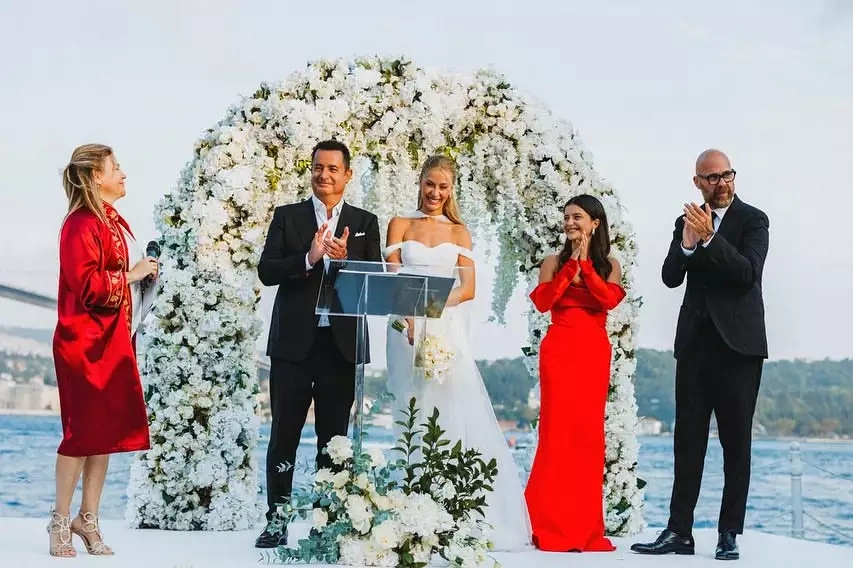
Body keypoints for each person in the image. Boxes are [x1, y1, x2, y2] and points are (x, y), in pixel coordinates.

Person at [384, 155, 532, 551]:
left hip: (444, 326)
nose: (435, 193)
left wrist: (429, 310)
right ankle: (410, 506)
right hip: (404, 326)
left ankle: (447, 509)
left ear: (451, 190)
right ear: (420, 182)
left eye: (443, 187)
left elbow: (468, 289)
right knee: (408, 409)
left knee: (447, 410)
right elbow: (392, 275)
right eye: (430, 184)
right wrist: (410, 313)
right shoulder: (400, 224)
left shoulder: (460, 232)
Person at [631, 149, 769, 561]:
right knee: (686, 443)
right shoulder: (686, 221)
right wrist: (688, 245)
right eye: (712, 178)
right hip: (694, 345)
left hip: (739, 348)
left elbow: (747, 274)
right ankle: (679, 532)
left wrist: (710, 239)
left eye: (727, 175)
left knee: (736, 444)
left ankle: (729, 533)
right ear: (697, 182)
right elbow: (670, 277)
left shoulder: (754, 220)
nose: (721, 183)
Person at [255, 140, 382, 548]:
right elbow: (266, 271)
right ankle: (276, 522)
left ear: (347, 174)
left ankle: (326, 523)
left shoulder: (365, 222)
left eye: (331, 168)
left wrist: (345, 262)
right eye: (317, 167)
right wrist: (308, 258)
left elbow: (375, 280)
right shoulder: (287, 217)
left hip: (340, 348)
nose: (323, 175)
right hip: (293, 346)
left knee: (334, 441)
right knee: (283, 436)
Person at [49, 144, 159, 557]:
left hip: (112, 342)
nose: (123, 174)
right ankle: (60, 520)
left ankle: (88, 517)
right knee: (80, 434)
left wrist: (142, 279)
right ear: (96, 176)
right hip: (82, 345)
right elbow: (89, 287)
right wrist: (130, 275)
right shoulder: (80, 224)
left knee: (105, 435)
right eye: (116, 168)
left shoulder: (109, 220)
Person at [524, 194, 625, 552]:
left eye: (577, 217)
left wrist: (586, 267)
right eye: (566, 217)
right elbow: (542, 302)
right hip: (560, 350)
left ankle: (583, 527)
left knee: (587, 438)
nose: (569, 223)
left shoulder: (610, 265)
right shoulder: (553, 262)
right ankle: (547, 523)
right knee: (556, 433)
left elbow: (609, 301)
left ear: (595, 223)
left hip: (593, 352)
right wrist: (570, 268)